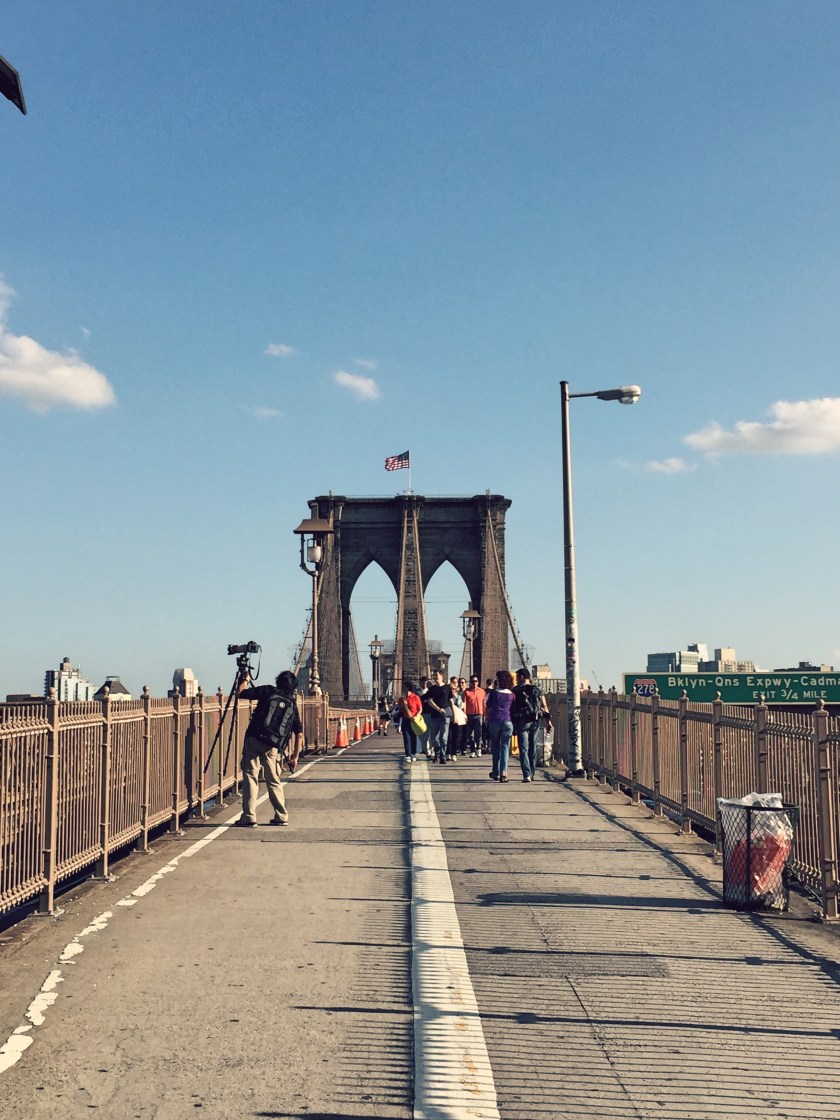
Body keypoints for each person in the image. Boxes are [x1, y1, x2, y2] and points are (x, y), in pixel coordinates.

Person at [235, 669, 303, 827]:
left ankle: (249, 816)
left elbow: (241, 693)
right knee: (273, 780)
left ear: (277, 681)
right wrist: (295, 757)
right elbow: (299, 734)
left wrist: (244, 679)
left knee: (251, 776)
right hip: (272, 745)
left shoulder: (267, 690)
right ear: (293, 687)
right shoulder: (292, 703)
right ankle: (281, 816)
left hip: (254, 738)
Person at [511, 668, 552, 782]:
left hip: (522, 721)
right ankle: (532, 772)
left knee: (523, 748)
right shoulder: (537, 690)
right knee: (532, 746)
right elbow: (544, 706)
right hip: (535, 720)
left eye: (518, 677)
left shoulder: (515, 690)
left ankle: (526, 774)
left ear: (522, 677)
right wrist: (549, 721)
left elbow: (512, 707)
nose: (516, 680)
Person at [486, 669, 515, 782]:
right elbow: (513, 709)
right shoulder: (512, 695)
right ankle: (504, 773)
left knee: (496, 747)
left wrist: (486, 719)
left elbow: (488, 705)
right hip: (507, 722)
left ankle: (495, 772)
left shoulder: (493, 693)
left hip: (494, 721)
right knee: (505, 748)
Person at [425, 669, 451, 764]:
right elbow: (430, 701)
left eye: (436, 675)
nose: (435, 677)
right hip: (435, 715)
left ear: (441, 676)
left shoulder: (447, 688)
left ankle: (442, 756)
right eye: (434, 675)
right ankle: (437, 753)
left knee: (443, 737)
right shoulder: (432, 689)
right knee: (434, 738)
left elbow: (450, 701)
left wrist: (454, 715)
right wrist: (438, 709)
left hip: (445, 715)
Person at [397, 679, 423, 763]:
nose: (402, 689)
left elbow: (420, 709)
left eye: (403, 687)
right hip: (405, 719)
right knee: (406, 737)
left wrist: (416, 716)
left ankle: (413, 753)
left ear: (408, 688)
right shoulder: (402, 699)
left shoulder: (416, 697)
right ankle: (408, 754)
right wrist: (402, 705)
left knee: (413, 737)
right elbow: (399, 709)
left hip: (414, 719)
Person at [463, 675, 486, 757]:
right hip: (469, 715)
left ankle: (479, 748)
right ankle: (472, 750)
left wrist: (485, 716)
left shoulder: (482, 691)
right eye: (472, 681)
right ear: (470, 683)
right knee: (470, 734)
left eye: (476, 681)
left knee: (479, 732)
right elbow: (464, 704)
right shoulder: (466, 692)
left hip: (479, 714)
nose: (474, 683)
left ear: (478, 682)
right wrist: (464, 715)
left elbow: (484, 704)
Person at [447, 676, 466, 761]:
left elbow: (461, 705)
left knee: (456, 736)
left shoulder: (459, 696)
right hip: (449, 717)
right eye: (453, 682)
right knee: (448, 736)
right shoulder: (447, 693)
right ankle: (448, 753)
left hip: (457, 718)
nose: (454, 684)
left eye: (456, 682)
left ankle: (454, 753)